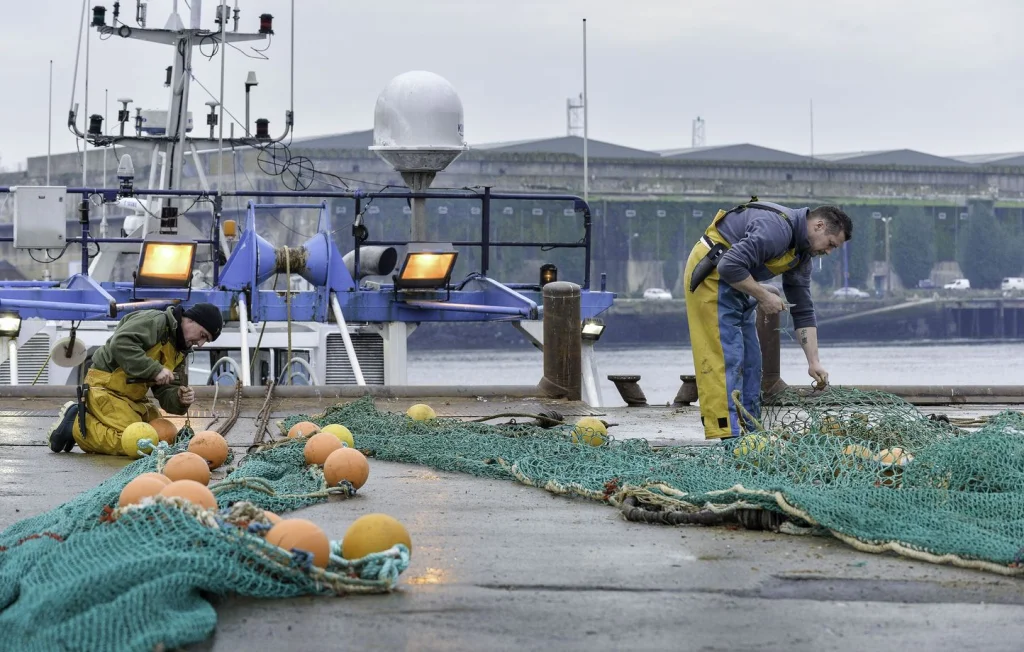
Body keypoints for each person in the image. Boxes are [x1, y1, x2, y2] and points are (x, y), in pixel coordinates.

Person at [683, 198, 852, 440]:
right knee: (726, 358)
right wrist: (763, 295)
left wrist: (814, 362)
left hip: (737, 282)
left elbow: (803, 309)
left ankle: (751, 433)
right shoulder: (776, 230)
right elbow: (728, 266)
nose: (828, 252)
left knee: (752, 361)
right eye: (831, 244)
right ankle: (731, 437)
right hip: (711, 276)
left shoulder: (801, 256)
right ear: (819, 226)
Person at [47, 303, 224, 455]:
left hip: (133, 398)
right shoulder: (155, 322)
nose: (200, 344)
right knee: (136, 442)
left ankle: (93, 416)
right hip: (105, 387)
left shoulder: (180, 351)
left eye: (206, 341)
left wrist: (179, 398)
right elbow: (121, 343)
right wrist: (155, 370)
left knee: (163, 438)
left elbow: (166, 391)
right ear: (191, 320)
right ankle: (75, 425)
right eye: (203, 335)